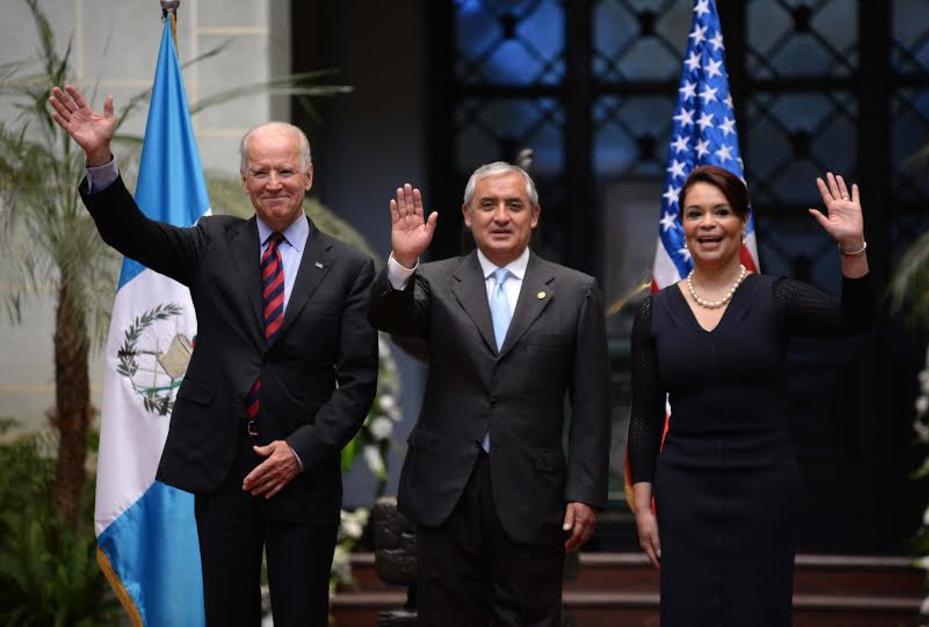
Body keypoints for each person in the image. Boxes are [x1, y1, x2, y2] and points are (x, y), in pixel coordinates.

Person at [49, 85, 378, 627]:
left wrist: (301, 450)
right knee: (227, 613)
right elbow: (133, 233)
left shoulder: (348, 267)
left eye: (286, 171)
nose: (274, 183)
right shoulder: (213, 243)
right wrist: (99, 160)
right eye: (261, 172)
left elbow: (358, 381)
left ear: (308, 177)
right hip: (224, 468)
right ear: (245, 180)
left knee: (302, 616)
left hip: (301, 471)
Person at [367, 162, 612, 627]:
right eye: (488, 205)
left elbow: (592, 405)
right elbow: (388, 316)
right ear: (467, 214)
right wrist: (402, 263)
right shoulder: (434, 282)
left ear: (534, 216)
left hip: (532, 493)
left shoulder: (575, 292)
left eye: (514, 205)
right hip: (447, 490)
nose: (501, 216)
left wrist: (585, 490)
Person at [627, 164, 872, 625]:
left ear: (743, 223)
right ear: (680, 226)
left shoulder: (776, 297)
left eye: (721, 212)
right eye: (695, 213)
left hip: (765, 488)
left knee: (758, 611)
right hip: (684, 491)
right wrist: (643, 508)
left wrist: (851, 247)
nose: (707, 224)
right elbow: (643, 417)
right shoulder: (653, 313)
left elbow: (854, 321)